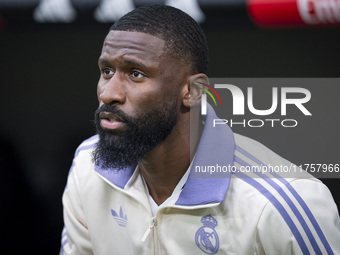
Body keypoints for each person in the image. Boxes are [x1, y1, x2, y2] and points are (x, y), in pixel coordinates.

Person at [60, 5, 340, 255]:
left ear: (193, 91)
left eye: (136, 74)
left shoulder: (282, 202)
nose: (109, 94)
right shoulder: (88, 165)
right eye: (107, 71)